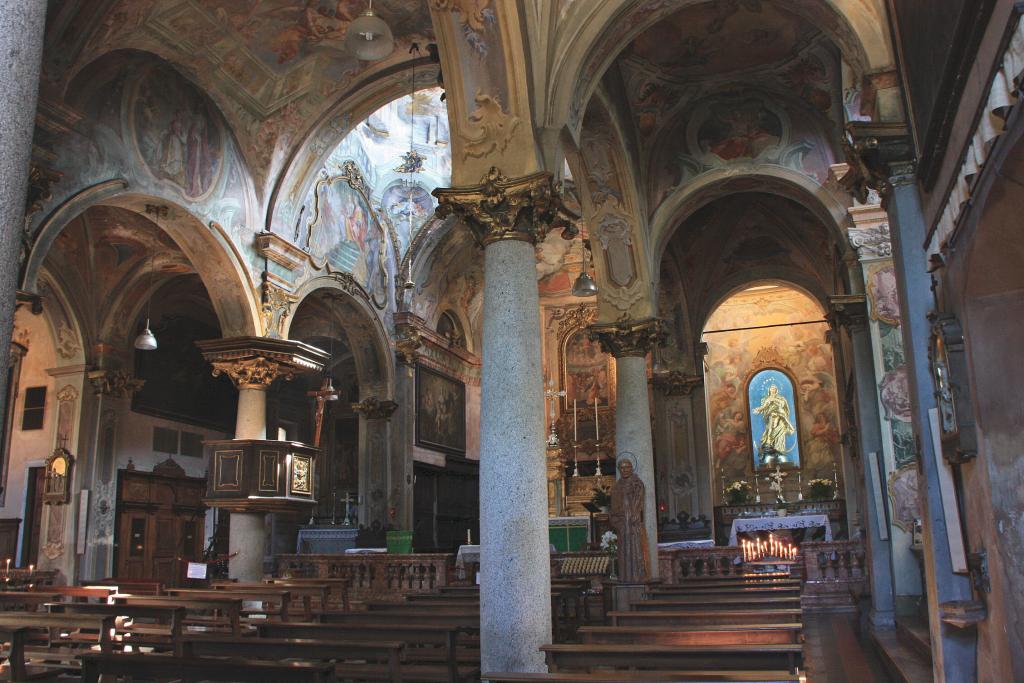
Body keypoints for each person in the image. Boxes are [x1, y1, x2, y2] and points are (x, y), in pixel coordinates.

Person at [610, 454, 649, 582]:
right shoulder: (616, 486)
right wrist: (617, 520)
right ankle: (624, 577)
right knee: (623, 551)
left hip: (632, 523)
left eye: (627, 467)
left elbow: (639, 502)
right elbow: (614, 506)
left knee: (635, 549)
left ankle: (637, 577)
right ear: (619, 470)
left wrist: (634, 515)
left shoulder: (637, 483)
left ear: (631, 468)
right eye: (622, 468)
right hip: (622, 523)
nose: (625, 470)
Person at [753, 383, 796, 465]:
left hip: (780, 418)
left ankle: (779, 449)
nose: (773, 390)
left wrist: (775, 401)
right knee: (770, 429)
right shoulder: (767, 399)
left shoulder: (781, 398)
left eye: (774, 389)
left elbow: (784, 406)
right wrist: (758, 409)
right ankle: (769, 445)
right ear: (769, 390)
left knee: (780, 433)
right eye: (771, 389)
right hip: (771, 417)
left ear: (777, 390)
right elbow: (764, 407)